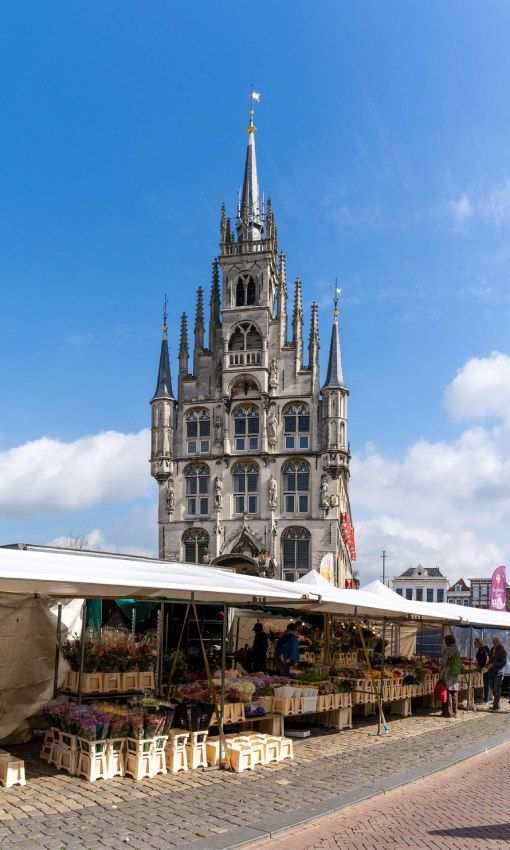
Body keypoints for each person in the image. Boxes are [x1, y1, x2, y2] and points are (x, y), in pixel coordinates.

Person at [439, 634, 462, 718]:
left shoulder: (447, 650)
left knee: (447, 692)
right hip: (455, 673)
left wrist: (440, 674)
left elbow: (443, 663)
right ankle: (455, 712)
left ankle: (448, 713)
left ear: (447, 642)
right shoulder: (456, 650)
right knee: (454, 692)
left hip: (448, 673)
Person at [488, 636, 507, 711]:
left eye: (496, 641)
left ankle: (496, 705)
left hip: (498, 673)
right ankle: (496, 704)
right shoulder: (492, 649)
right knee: (493, 689)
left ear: (499, 642)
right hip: (491, 672)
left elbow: (504, 662)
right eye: (494, 641)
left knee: (497, 689)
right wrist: (488, 664)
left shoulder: (502, 650)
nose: (495, 642)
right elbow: (490, 660)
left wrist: (494, 665)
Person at [474, 637, 491, 703]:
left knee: (487, 684)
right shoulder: (484, 648)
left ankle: (486, 699)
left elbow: (485, 660)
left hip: (486, 668)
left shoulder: (484, 649)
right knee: (486, 684)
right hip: (485, 668)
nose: (475, 645)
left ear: (479, 643)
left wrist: (480, 666)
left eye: (476, 644)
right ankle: (486, 699)